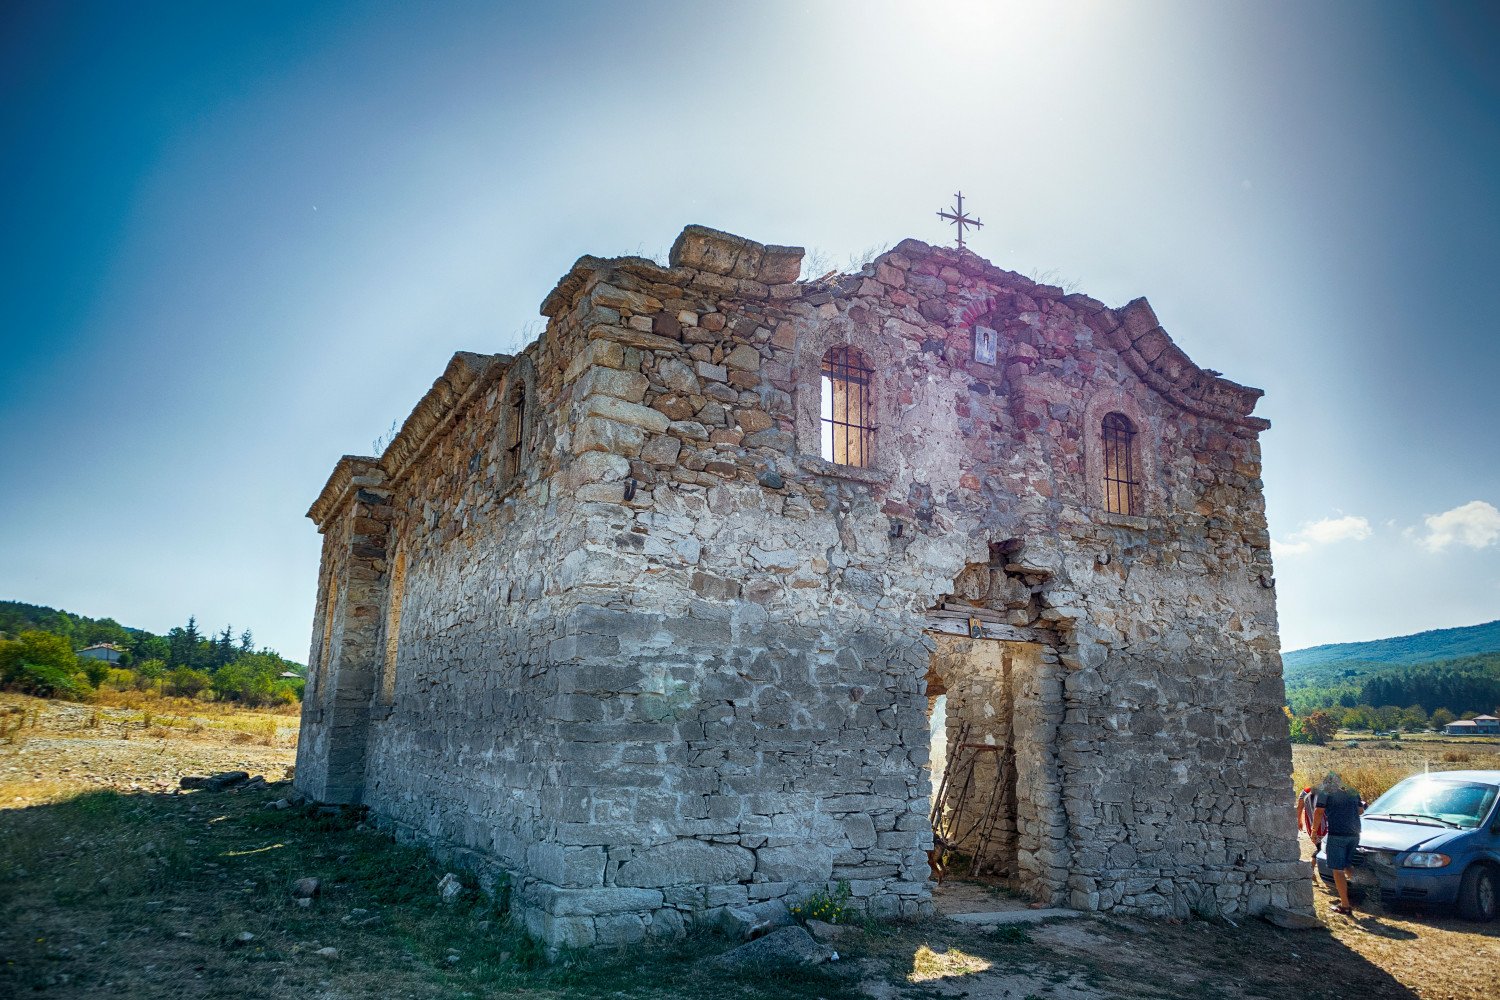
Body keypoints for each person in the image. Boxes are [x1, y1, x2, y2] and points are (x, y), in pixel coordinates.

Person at [1311, 772, 1364, 915]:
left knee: (1337, 869)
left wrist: (1314, 830)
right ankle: (1363, 893)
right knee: (1347, 865)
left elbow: (1319, 811)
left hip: (1337, 834)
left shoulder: (1326, 791)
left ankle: (1345, 905)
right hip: (1354, 834)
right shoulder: (1353, 791)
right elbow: (1360, 810)